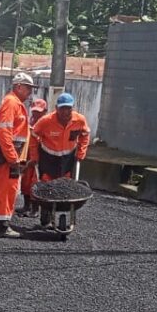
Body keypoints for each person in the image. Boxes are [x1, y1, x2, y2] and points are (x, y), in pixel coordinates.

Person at [0, 72, 34, 237]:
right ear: (18, 86)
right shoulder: (12, 103)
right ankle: (3, 225)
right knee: (8, 189)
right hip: (8, 156)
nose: (30, 92)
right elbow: (4, 131)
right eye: (28, 88)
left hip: (6, 154)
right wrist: (13, 158)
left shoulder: (13, 103)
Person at [31, 92, 91, 228]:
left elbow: (85, 134)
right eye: (62, 108)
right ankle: (46, 211)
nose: (65, 112)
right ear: (57, 108)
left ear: (72, 108)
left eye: (68, 108)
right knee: (46, 184)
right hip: (48, 158)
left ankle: (65, 209)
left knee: (66, 185)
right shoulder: (46, 121)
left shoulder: (79, 120)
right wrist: (34, 156)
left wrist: (81, 152)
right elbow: (33, 136)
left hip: (68, 159)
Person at [19, 98, 47, 217]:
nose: (36, 114)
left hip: (39, 158)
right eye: (34, 111)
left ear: (44, 111)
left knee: (34, 183)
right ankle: (26, 206)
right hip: (27, 156)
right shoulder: (29, 122)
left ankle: (35, 210)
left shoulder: (45, 124)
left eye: (39, 112)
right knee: (25, 182)